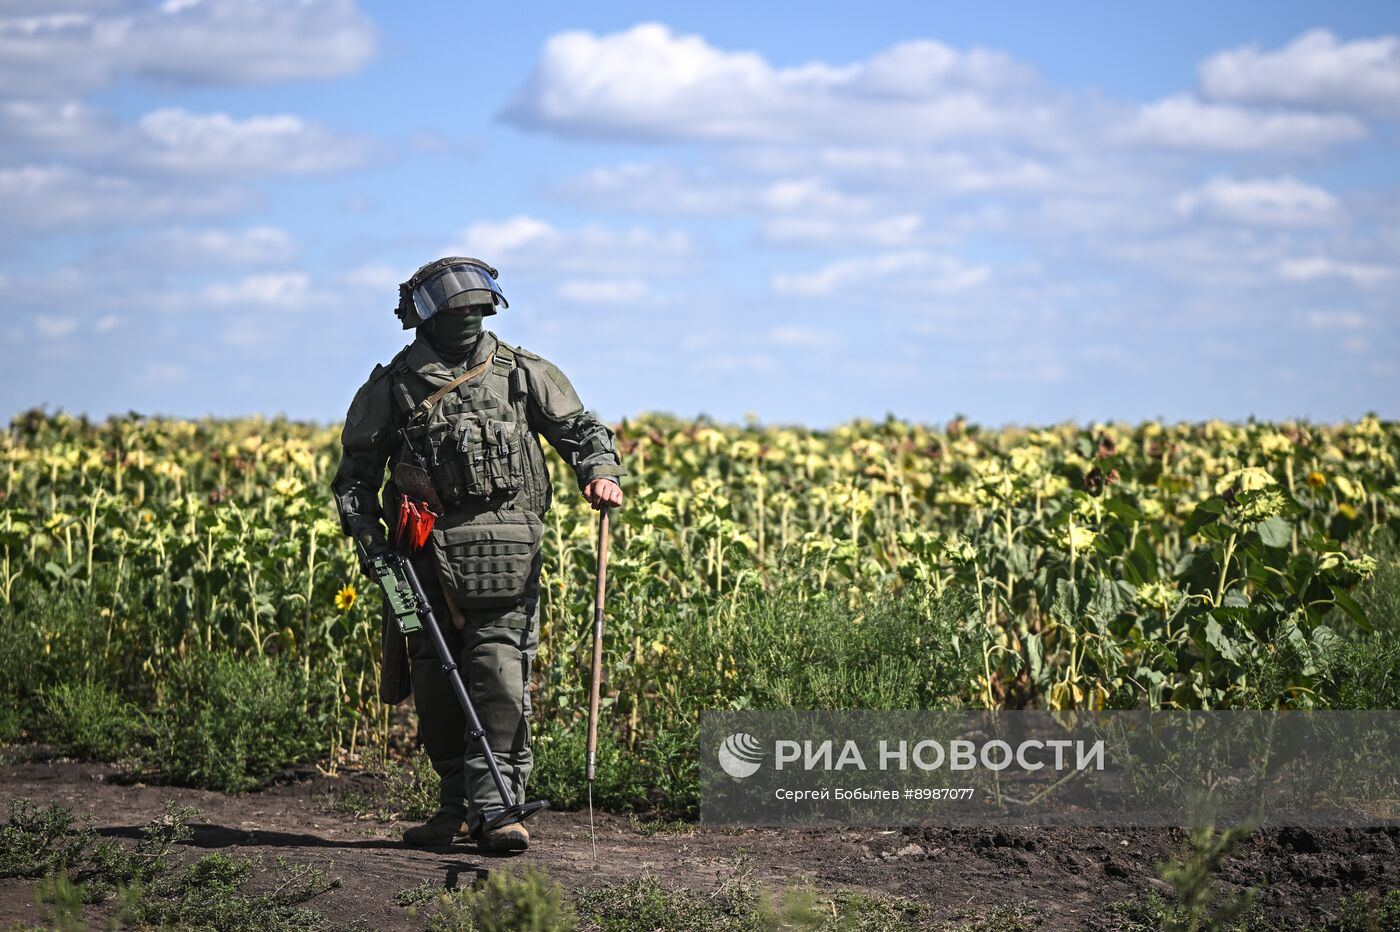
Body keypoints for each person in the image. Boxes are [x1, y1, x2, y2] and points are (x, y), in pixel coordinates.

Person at [330, 256, 625, 852]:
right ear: (424, 317)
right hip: (414, 563)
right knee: (435, 685)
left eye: (476, 308)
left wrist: (599, 472)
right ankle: (454, 807)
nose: (468, 317)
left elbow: (582, 430)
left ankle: (499, 810)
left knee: (497, 677)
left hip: (505, 559)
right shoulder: (393, 388)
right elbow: (355, 479)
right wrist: (375, 548)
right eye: (456, 310)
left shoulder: (521, 373)